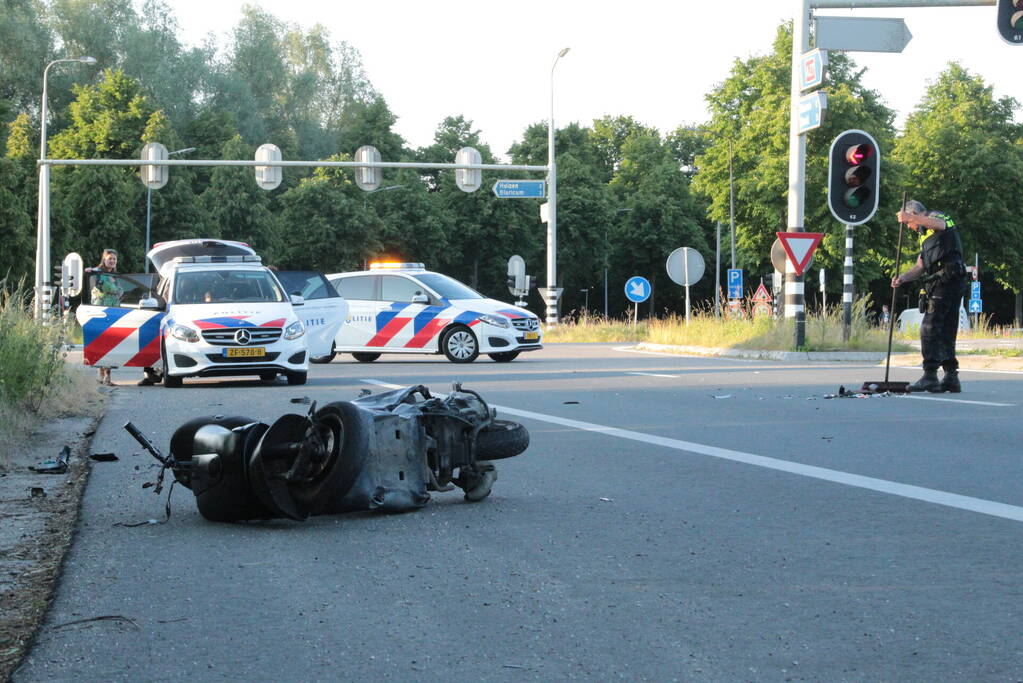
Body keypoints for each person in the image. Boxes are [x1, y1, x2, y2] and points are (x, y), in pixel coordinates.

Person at [891, 200, 968, 393]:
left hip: (948, 279)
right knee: (945, 330)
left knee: (930, 327)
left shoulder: (938, 217)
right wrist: (902, 278)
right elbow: (920, 266)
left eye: (909, 222)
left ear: (915, 213)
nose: (909, 226)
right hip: (944, 281)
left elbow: (940, 225)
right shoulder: (925, 237)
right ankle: (951, 377)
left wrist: (910, 217)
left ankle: (930, 375)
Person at [85, 248, 123, 386]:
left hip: (115, 312)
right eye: (109, 258)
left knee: (111, 344)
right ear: (104, 259)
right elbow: (91, 277)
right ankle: (101, 375)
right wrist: (89, 270)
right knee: (103, 344)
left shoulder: (116, 276)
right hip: (101, 311)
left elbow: (120, 291)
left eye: (114, 259)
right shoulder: (98, 273)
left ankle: (107, 376)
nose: (112, 261)